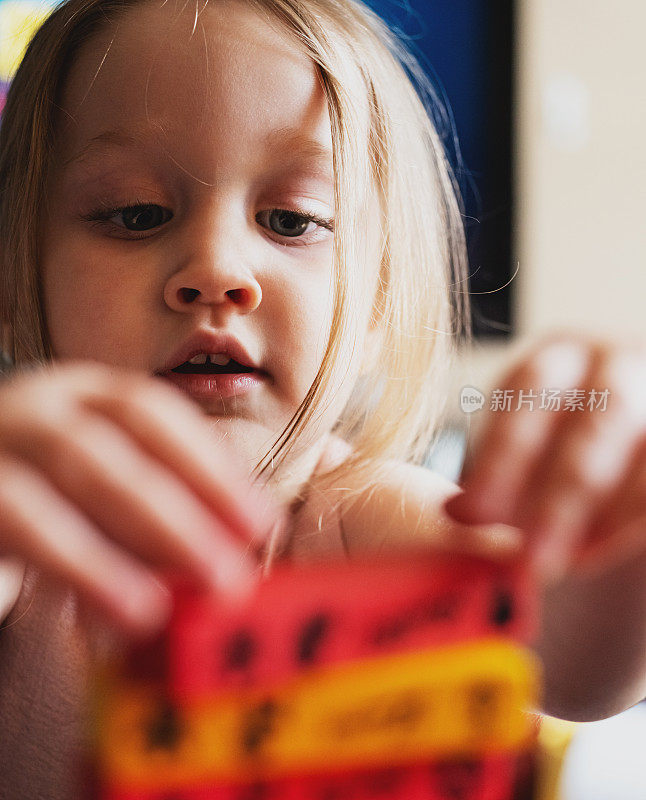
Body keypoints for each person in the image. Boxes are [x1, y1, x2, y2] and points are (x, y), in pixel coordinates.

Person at [1, 0, 646, 796]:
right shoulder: (25, 549)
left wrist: (622, 533)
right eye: (137, 214)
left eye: (291, 219)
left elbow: (578, 659)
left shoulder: (360, 522)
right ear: (12, 272)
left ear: (378, 300)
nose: (216, 266)